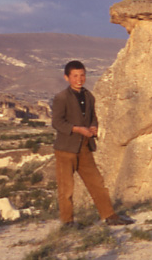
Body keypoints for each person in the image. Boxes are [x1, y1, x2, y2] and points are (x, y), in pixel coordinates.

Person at [51, 60, 134, 228]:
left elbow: (92, 117)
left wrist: (94, 127)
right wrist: (77, 129)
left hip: (85, 148)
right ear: (66, 77)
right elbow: (57, 123)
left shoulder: (89, 96)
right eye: (75, 76)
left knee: (97, 183)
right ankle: (67, 222)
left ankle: (109, 215)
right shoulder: (61, 98)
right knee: (66, 189)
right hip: (66, 149)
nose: (79, 79)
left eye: (82, 75)